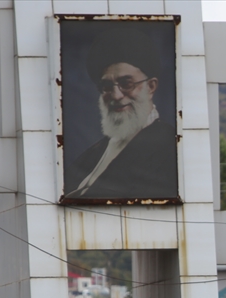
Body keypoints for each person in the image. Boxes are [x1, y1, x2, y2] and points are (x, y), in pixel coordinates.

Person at [63, 27, 177, 200]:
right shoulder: (92, 154)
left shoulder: (170, 147)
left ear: (151, 87)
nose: (116, 95)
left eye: (126, 83)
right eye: (107, 87)